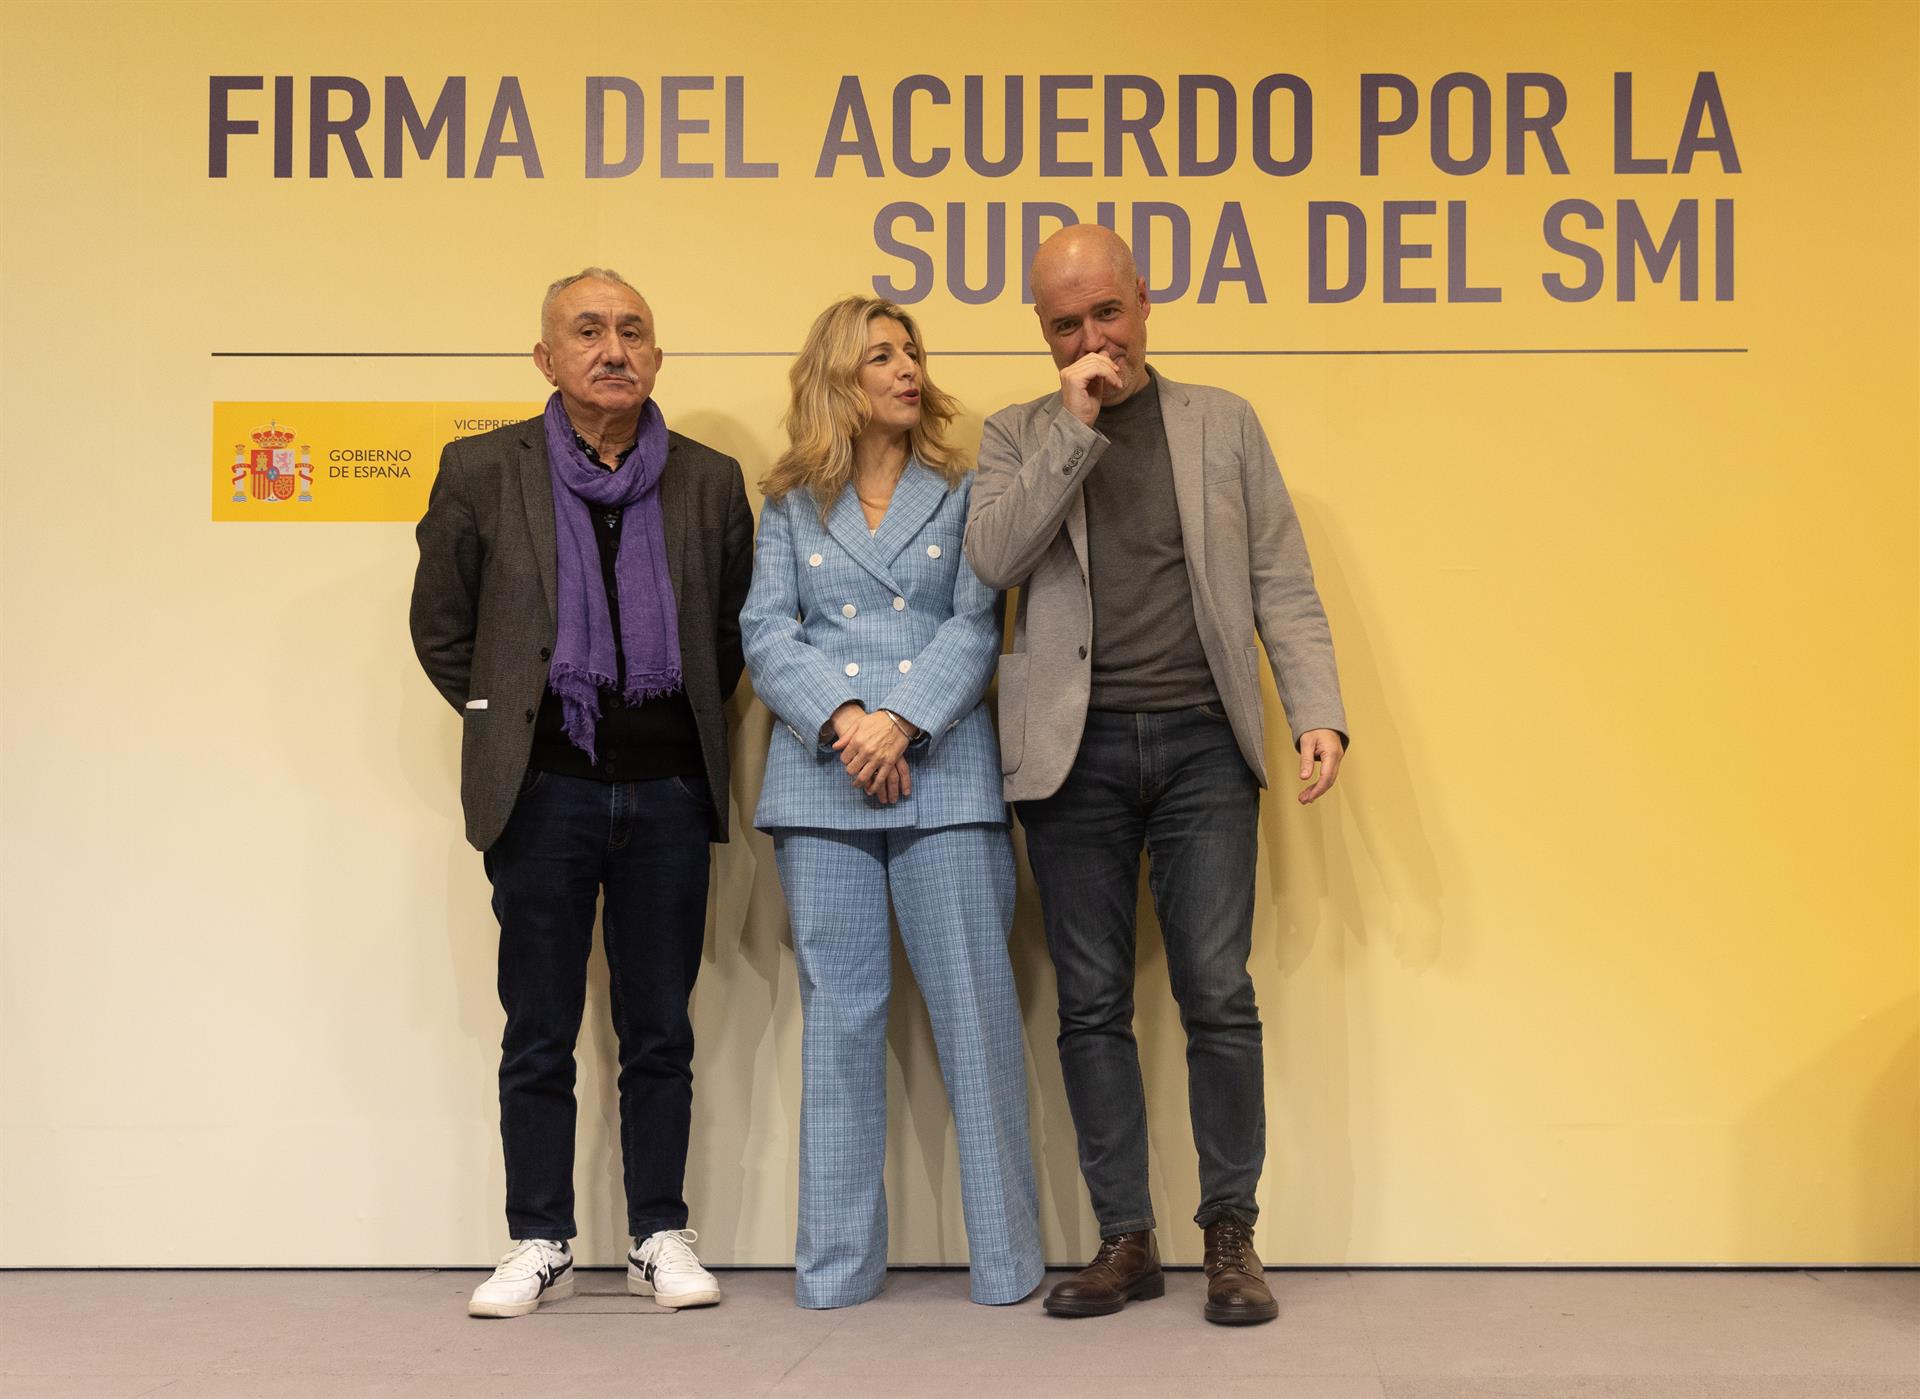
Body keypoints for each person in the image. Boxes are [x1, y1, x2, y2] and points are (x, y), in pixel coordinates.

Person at [964, 226, 1349, 1326]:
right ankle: (1123, 1237)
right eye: (1065, 324)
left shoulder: (1223, 421)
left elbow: (1280, 575)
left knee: (1217, 994)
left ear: (1144, 299)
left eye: (1107, 312)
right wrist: (1073, 430)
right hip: (1070, 755)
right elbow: (994, 559)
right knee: (1090, 1005)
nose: (1093, 337)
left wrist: (1317, 709)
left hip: (1201, 747)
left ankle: (1231, 1234)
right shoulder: (1018, 433)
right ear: (1044, 332)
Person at [410, 268, 753, 1318]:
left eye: (633, 330)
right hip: (542, 793)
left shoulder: (708, 480)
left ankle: (659, 1232)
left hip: (667, 795)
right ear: (545, 358)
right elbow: (444, 629)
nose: (614, 348)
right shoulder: (482, 469)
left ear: (657, 354)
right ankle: (537, 1236)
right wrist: (513, 722)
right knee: (538, 1030)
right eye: (589, 330)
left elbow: (730, 634)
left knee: (660, 1031)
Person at [742, 295, 1044, 1310]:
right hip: (823, 780)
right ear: (839, 377)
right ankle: (834, 1272)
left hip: (944, 775)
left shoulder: (962, 490)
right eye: (882, 355)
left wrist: (900, 721)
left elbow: (975, 625)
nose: (908, 368)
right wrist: (847, 722)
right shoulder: (789, 501)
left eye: (912, 351)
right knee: (839, 1028)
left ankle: (1007, 1263)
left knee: (977, 1019)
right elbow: (766, 631)